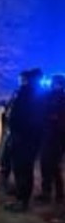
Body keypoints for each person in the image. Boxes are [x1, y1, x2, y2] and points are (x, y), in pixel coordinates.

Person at [5, 68, 46, 212]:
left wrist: (16, 131)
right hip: (27, 138)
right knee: (23, 169)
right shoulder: (35, 94)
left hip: (23, 138)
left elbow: (22, 116)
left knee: (22, 170)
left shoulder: (27, 94)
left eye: (24, 79)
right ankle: (21, 197)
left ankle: (22, 201)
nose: (22, 81)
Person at [37, 75, 65, 204]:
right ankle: (48, 192)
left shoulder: (60, 99)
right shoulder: (50, 97)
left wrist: (53, 119)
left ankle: (56, 193)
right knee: (47, 165)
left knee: (52, 166)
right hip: (49, 136)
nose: (53, 85)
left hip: (55, 138)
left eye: (55, 83)